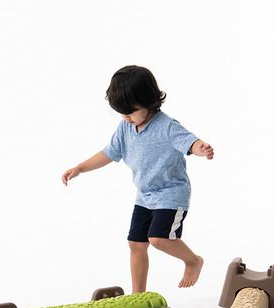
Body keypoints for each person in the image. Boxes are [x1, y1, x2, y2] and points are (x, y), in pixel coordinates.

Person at [62, 65, 214, 291]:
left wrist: (201, 148)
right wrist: (80, 168)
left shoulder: (167, 126)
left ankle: (192, 261)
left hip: (171, 194)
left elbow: (189, 142)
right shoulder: (125, 127)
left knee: (158, 239)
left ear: (150, 101)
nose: (126, 117)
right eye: (121, 113)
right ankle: (137, 296)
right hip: (144, 196)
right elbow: (109, 153)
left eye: (131, 111)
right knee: (136, 244)